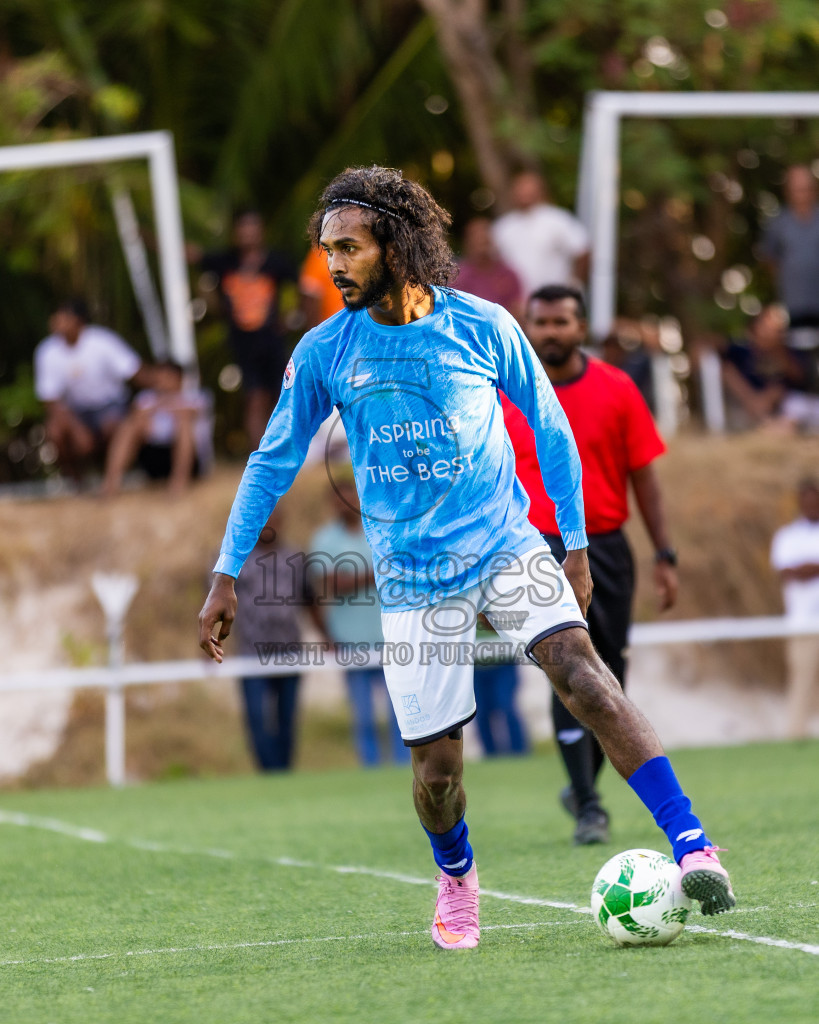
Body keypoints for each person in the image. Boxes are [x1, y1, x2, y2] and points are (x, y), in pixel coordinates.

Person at [199, 166, 734, 953]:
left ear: (398, 243)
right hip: (412, 580)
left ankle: (693, 845)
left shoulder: (481, 324)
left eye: (348, 247)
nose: (334, 264)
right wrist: (224, 573)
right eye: (326, 250)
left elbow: (550, 433)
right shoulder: (324, 351)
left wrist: (576, 549)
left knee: (583, 675)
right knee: (438, 773)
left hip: (505, 546)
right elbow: (271, 461)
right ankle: (456, 877)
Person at [503, 284, 678, 845]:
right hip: (537, 546)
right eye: (541, 322)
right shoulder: (504, 393)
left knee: (611, 678)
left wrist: (664, 554)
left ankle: (582, 788)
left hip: (605, 544)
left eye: (561, 322)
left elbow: (646, 479)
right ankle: (588, 804)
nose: (550, 332)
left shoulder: (617, 388)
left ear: (581, 328)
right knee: (567, 666)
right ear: (527, 328)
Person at [309, 477, 409, 766]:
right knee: (363, 717)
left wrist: (357, 577)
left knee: (402, 713)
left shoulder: (382, 530)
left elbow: (402, 572)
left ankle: (405, 768)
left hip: (391, 639)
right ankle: (371, 768)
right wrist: (379, 573)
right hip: (350, 642)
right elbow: (330, 585)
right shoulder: (324, 539)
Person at [200, 209, 298, 448]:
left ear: (261, 230)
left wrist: (292, 318)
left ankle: (283, 449)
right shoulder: (226, 261)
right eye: (243, 228)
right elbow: (195, 261)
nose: (248, 233)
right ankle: (260, 454)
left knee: (281, 395)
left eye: (252, 227)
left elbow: (301, 288)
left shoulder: (276, 261)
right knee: (254, 397)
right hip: (243, 342)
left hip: (273, 339)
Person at [234, 511, 322, 771]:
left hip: (289, 650)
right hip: (252, 652)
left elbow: (311, 600)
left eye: (274, 517)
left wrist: (326, 637)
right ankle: (268, 771)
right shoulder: (235, 560)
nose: (268, 522)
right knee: (257, 718)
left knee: (287, 719)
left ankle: (284, 771)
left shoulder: (295, 557)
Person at [33, 299, 147, 484]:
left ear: (79, 320)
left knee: (117, 427)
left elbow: (134, 371)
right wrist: (76, 428)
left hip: (109, 406)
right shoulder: (47, 351)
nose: (55, 322)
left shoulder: (102, 341)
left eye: (62, 317)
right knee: (54, 431)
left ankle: (113, 480)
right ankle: (77, 484)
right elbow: (50, 400)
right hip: (76, 412)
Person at [101, 361, 205, 497]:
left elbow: (190, 413)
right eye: (159, 377)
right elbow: (136, 417)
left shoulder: (195, 398)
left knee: (184, 426)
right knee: (130, 426)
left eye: (167, 378)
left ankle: (178, 484)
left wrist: (162, 406)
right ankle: (111, 484)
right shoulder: (145, 398)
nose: (161, 382)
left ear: (179, 379)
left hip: (190, 460)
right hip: (152, 455)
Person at [770, 478, 819, 740]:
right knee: (802, 678)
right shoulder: (788, 535)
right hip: (801, 622)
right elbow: (786, 571)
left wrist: (806, 567)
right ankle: (797, 734)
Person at [492, 170, 590, 297]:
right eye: (519, 189)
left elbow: (583, 251)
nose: (523, 193)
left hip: (555, 299)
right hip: (515, 303)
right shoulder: (503, 226)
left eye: (528, 188)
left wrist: (575, 284)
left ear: (540, 190)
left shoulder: (558, 219)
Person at [720, 305, 810, 431]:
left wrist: (778, 351)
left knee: (794, 404)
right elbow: (716, 360)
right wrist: (750, 399)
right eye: (767, 326)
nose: (772, 331)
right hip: (748, 407)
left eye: (777, 328)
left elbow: (799, 378)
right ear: (754, 328)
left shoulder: (789, 352)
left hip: (786, 407)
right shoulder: (740, 352)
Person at [760, 165, 819, 342]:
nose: (801, 193)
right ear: (787, 191)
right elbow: (769, 258)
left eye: (805, 188)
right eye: (796, 189)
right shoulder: (778, 223)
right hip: (794, 306)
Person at [454, 217, 523, 320]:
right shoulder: (458, 277)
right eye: (477, 240)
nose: (482, 245)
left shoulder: (508, 274)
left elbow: (518, 310)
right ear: (468, 243)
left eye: (485, 240)